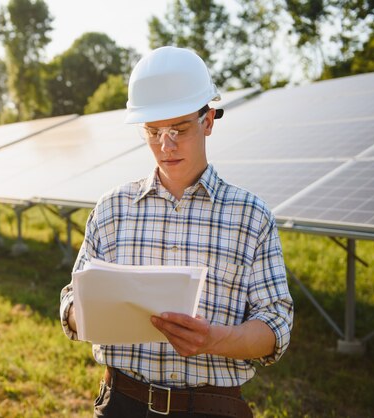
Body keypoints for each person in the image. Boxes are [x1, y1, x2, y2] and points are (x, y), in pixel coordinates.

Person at [59, 46, 293, 418]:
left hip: (212, 408)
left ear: (209, 120)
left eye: (178, 130)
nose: (165, 146)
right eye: (152, 132)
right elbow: (70, 302)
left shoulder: (251, 216)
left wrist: (214, 338)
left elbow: (275, 326)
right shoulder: (112, 210)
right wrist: (84, 311)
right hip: (122, 403)